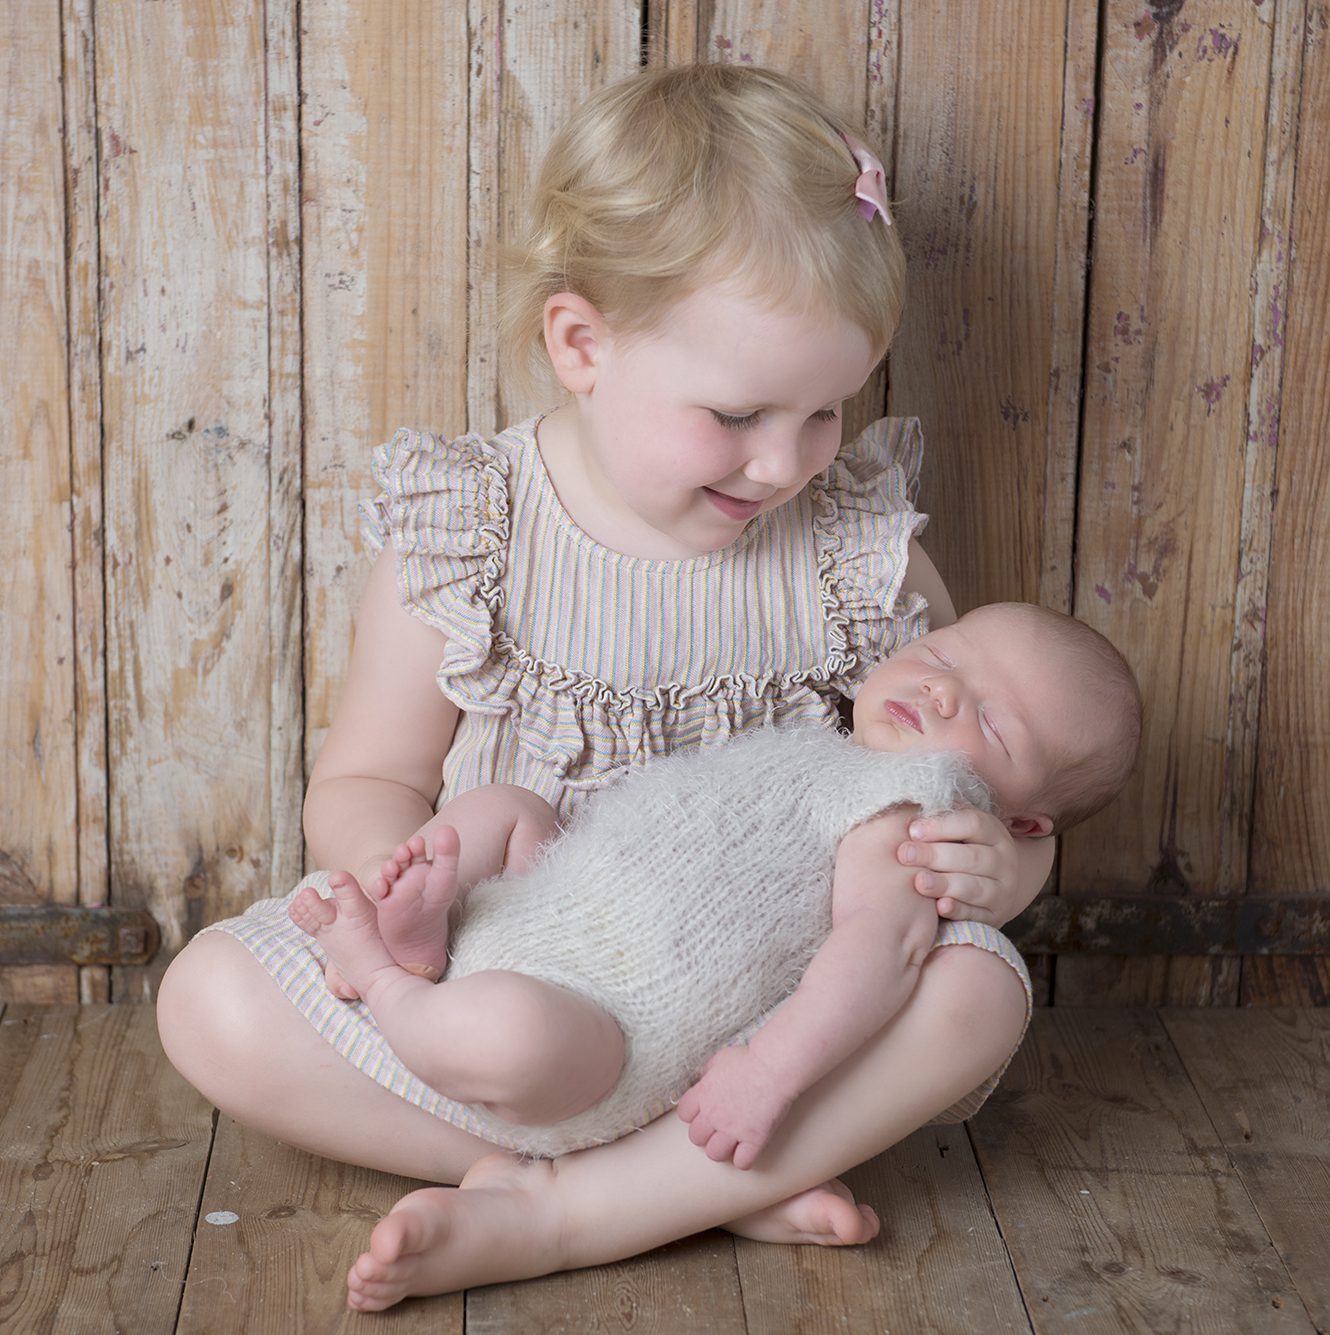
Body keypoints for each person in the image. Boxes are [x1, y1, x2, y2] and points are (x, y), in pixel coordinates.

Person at [155, 62, 1055, 1311]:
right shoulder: (472, 532)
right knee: (210, 1002)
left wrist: (1004, 871)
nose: (785, 461)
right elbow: (365, 777)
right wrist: (407, 879)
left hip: (767, 1016)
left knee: (977, 990)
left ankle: (586, 1209)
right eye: (739, 411)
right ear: (581, 343)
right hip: (515, 990)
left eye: (825, 412)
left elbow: (964, 779)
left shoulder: (857, 552)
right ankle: (695, 1184)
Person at [288, 604, 1140, 1173]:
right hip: (548, 904)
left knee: (509, 1032)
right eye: (943, 655)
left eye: (992, 721)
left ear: (1024, 822)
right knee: (507, 808)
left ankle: (385, 977)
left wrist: (768, 1069)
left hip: (600, 1027)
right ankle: (426, 937)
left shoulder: (912, 817)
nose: (943, 688)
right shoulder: (827, 754)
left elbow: (877, 953)